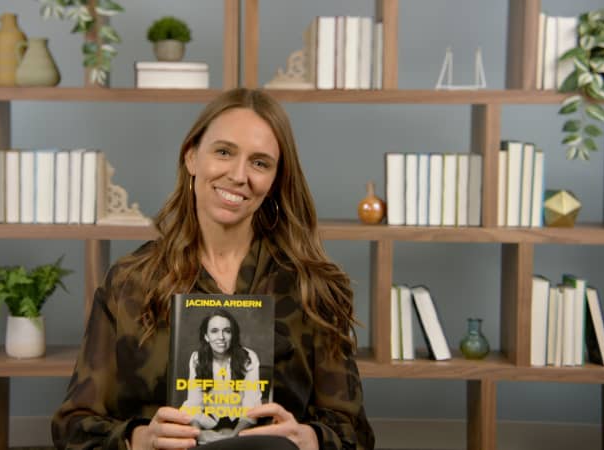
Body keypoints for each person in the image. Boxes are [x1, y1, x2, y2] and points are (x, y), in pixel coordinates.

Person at [51, 87, 375, 450]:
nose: (239, 175)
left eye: (260, 163)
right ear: (192, 157)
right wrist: (140, 439)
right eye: (224, 152)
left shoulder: (314, 286)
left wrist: (309, 438)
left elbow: (355, 434)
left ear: (275, 180)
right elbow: (72, 426)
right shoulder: (130, 281)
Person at [182, 310, 262, 444]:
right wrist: (199, 435)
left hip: (241, 427)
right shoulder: (197, 358)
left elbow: (251, 406)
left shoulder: (248, 357)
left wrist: (233, 437)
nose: (221, 337)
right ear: (206, 336)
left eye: (227, 331)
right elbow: (194, 404)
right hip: (208, 426)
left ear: (233, 335)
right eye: (214, 331)